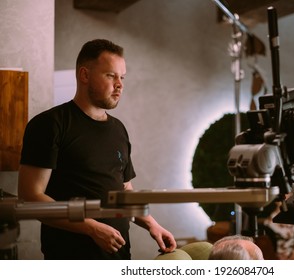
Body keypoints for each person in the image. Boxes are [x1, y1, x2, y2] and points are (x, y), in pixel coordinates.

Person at [18, 39, 177, 260]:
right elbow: (31, 197)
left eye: (122, 77)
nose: (119, 84)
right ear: (84, 75)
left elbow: (124, 189)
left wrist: (152, 224)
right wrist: (92, 228)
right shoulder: (50, 124)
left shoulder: (118, 129)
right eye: (111, 76)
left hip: (119, 258)